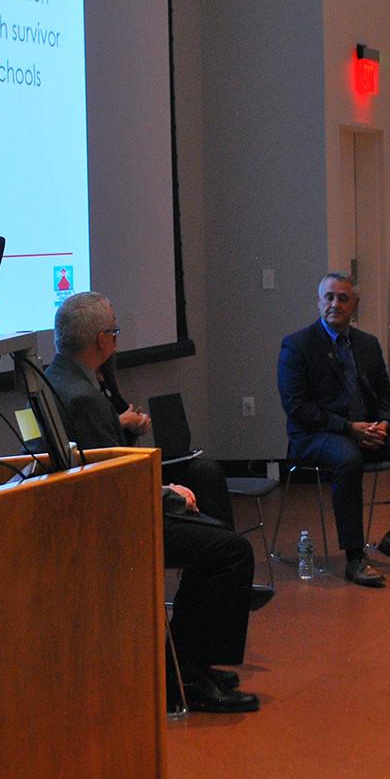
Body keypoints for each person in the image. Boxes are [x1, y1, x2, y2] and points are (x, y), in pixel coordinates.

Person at [45, 292, 260, 713]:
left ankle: (186, 661)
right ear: (102, 342)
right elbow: (114, 483)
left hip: (88, 507)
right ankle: (188, 678)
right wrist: (167, 495)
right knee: (231, 552)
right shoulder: (86, 397)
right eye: (115, 333)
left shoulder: (58, 375)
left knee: (206, 483)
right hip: (112, 521)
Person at [278, 272, 390, 587]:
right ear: (318, 301)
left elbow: (386, 394)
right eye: (328, 297)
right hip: (318, 435)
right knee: (349, 459)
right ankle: (355, 556)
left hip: (368, 429)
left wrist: (383, 423)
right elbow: (297, 407)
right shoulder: (298, 345)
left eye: (343, 298)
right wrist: (348, 428)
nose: (335, 304)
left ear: (354, 304)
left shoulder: (366, 343)